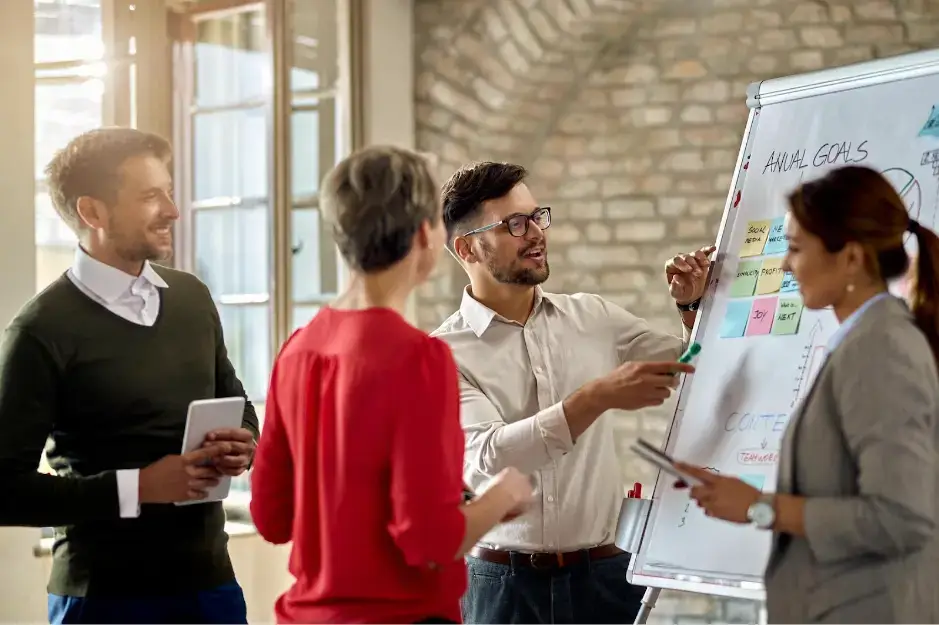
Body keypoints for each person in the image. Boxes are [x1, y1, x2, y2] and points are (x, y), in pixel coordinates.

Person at [249, 146, 535, 625]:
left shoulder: (297, 350)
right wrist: (502, 496)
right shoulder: (418, 357)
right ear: (426, 233)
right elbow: (430, 541)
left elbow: (272, 520)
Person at [431, 161, 710, 624]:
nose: (536, 233)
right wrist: (594, 397)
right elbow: (491, 457)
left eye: (537, 217)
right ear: (467, 248)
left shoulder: (594, 317)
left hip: (605, 577)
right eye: (514, 225)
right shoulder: (441, 353)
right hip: (503, 589)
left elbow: (693, 366)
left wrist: (691, 307)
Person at [0, 127, 259, 624]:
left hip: (212, 588)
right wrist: (137, 487)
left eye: (169, 191)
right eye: (149, 196)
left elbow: (238, 400)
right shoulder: (39, 331)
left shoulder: (191, 298)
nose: (172, 210)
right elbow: (5, 489)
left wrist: (245, 439)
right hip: (101, 599)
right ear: (92, 212)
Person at [678, 165, 939, 624]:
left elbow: (901, 518)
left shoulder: (882, 350)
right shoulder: (864, 343)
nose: (783, 265)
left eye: (796, 248)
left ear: (852, 258)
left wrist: (762, 507)